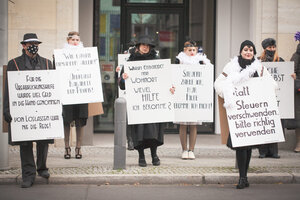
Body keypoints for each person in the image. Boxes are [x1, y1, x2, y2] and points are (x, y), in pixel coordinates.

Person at [214, 40, 276, 189]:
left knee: (248, 147)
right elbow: (218, 83)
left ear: (254, 52)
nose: (248, 52)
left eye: (251, 50)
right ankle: (242, 177)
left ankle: (245, 177)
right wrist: (228, 93)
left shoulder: (259, 68)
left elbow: (272, 84)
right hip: (238, 112)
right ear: (241, 51)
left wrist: (264, 91)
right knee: (241, 146)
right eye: (245, 49)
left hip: (252, 113)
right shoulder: (231, 66)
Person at [3, 33, 53, 188]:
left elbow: (53, 87)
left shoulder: (47, 63)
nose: (34, 46)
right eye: (31, 44)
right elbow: (9, 88)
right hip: (22, 111)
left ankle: (42, 167)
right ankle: (28, 174)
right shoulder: (14, 64)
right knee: (25, 144)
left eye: (36, 44)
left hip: (42, 109)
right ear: (23, 46)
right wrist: (6, 109)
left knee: (43, 141)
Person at [118, 35, 174, 167]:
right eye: (143, 45)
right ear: (138, 46)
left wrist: (170, 88)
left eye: (147, 45)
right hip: (138, 104)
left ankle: (154, 154)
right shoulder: (130, 62)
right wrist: (124, 78)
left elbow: (165, 81)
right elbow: (121, 85)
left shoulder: (157, 61)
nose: (145, 47)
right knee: (139, 132)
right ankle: (141, 156)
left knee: (153, 131)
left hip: (153, 104)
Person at [174, 40, 211, 160]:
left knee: (194, 125)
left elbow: (207, 75)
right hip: (183, 96)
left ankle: (192, 149)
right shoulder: (179, 60)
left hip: (195, 97)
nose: (192, 52)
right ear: (185, 50)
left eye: (194, 50)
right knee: (183, 125)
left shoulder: (201, 61)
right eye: (189, 50)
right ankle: (184, 149)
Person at [61, 31, 88, 159]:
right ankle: (67, 147)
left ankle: (78, 148)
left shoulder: (86, 55)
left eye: (77, 39)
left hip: (81, 93)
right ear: (68, 41)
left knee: (80, 121)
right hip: (67, 93)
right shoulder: (61, 55)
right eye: (73, 40)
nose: (75, 42)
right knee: (66, 120)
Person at [257, 38, 284, 159]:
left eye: (273, 47)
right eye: (269, 48)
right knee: (262, 123)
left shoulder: (281, 61)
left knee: (274, 123)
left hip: (276, 96)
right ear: (265, 48)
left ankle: (274, 151)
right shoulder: (258, 61)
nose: (272, 50)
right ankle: (262, 151)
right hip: (262, 96)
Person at [291, 31, 300, 153]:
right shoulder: (297, 55)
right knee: (299, 121)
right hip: (299, 90)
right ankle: (299, 143)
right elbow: (292, 70)